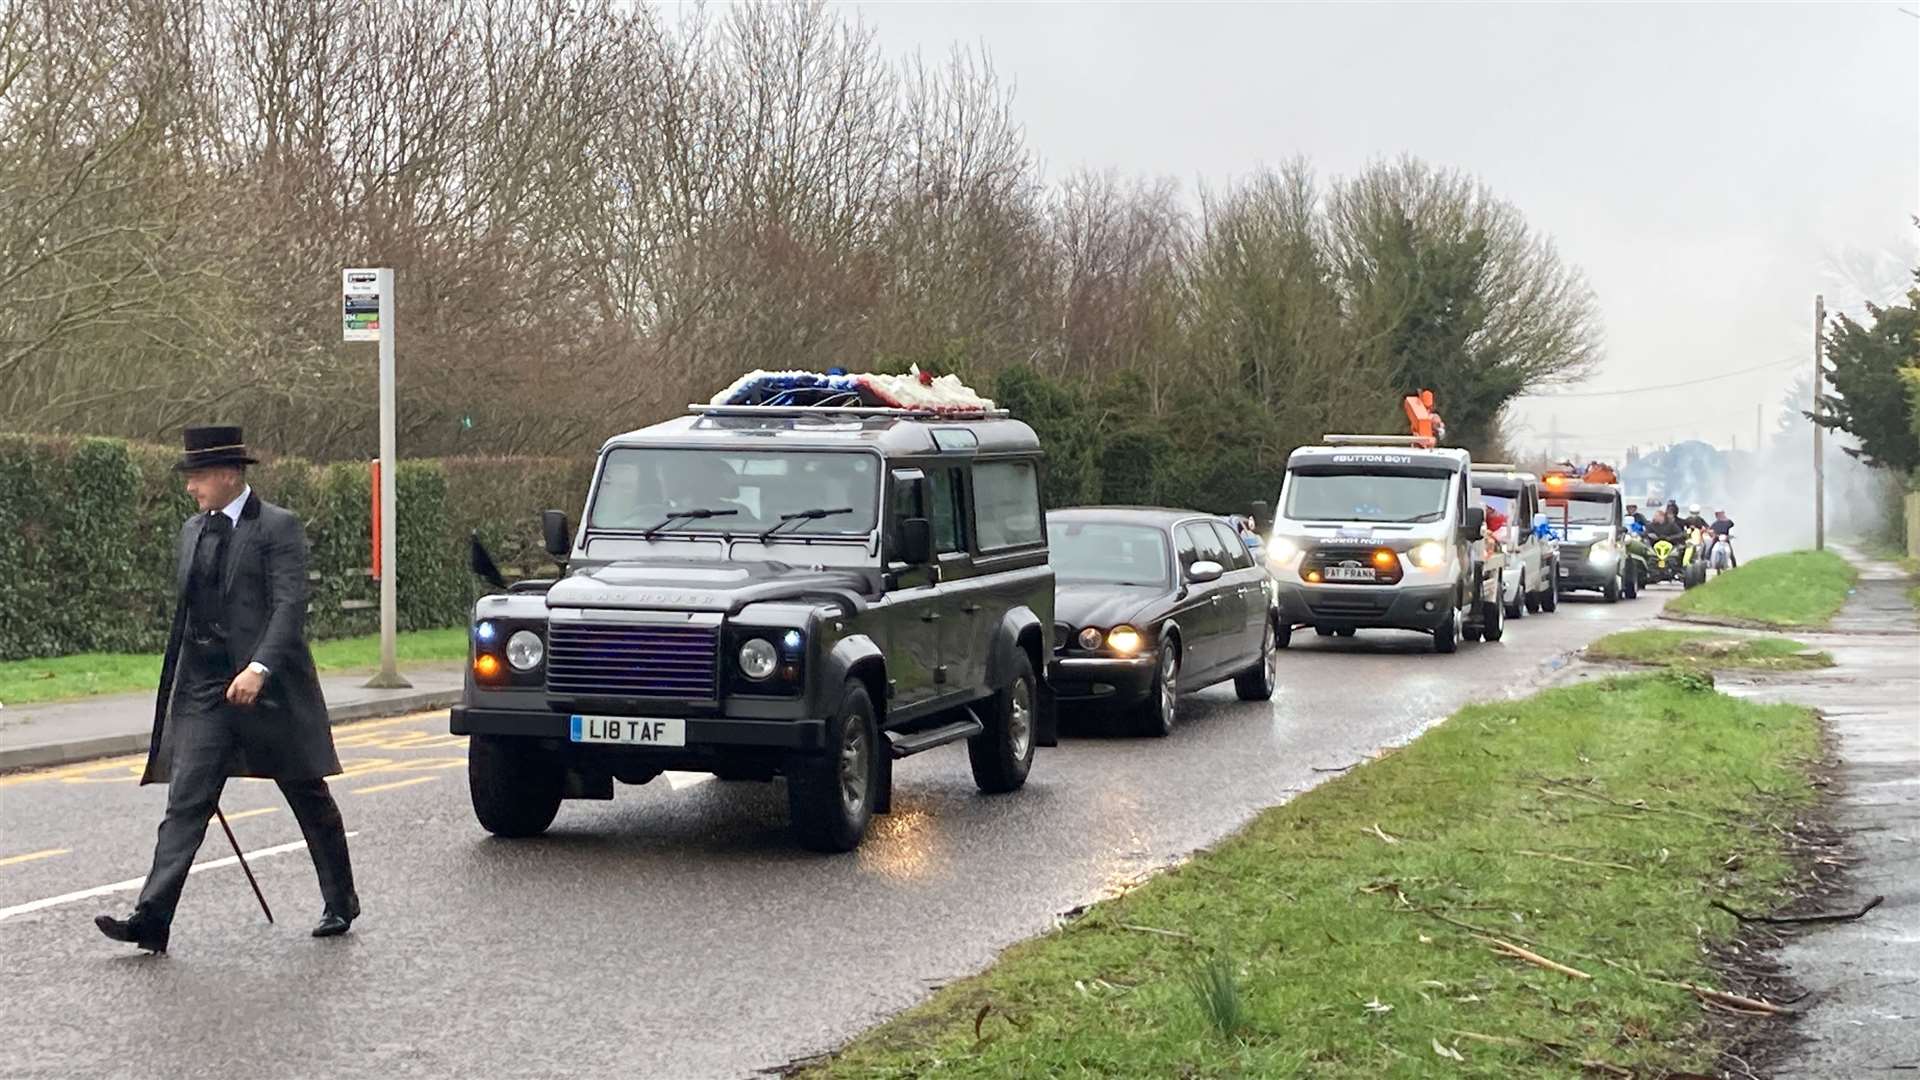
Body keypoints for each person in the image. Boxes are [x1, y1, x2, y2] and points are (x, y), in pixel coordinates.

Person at [96, 426, 358, 953]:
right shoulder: (192, 529)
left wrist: (259, 668)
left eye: (196, 478)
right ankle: (152, 919)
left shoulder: (277, 527)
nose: (190, 488)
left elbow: (289, 606)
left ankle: (340, 901)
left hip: (269, 687)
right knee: (186, 801)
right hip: (204, 686)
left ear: (227, 475)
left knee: (306, 792)